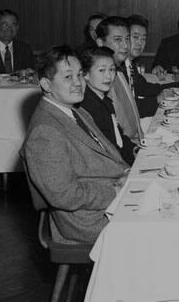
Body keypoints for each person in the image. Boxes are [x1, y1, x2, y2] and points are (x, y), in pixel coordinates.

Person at [21, 46, 129, 245]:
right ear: (46, 84)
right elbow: (65, 195)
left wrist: (127, 174)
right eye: (68, 77)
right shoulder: (44, 132)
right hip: (88, 220)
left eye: (80, 75)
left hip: (108, 199)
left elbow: (109, 155)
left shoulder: (75, 111)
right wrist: (115, 192)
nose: (79, 83)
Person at [78, 46, 138, 166]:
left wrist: (136, 150)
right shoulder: (88, 106)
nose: (109, 76)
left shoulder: (103, 99)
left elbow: (119, 137)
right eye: (101, 70)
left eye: (112, 69)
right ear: (86, 74)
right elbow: (106, 151)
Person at [125, 14, 179, 118]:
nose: (140, 42)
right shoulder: (117, 68)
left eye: (143, 38)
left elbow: (144, 88)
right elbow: (127, 110)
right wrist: (157, 99)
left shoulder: (129, 64)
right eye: (135, 37)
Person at [95, 16, 143, 143]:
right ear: (100, 43)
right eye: (118, 39)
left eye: (127, 39)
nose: (125, 45)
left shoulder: (119, 72)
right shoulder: (98, 80)